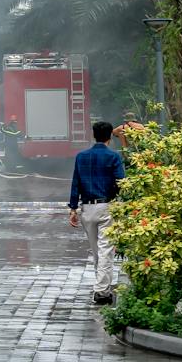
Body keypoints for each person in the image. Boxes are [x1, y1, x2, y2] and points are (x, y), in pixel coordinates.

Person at [68, 119, 126, 303]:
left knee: (97, 251)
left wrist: (73, 209)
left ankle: (103, 289)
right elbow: (121, 182)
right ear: (110, 137)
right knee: (105, 250)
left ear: (93, 135)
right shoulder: (114, 157)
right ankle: (101, 291)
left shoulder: (81, 157)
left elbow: (75, 183)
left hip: (87, 209)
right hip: (106, 206)